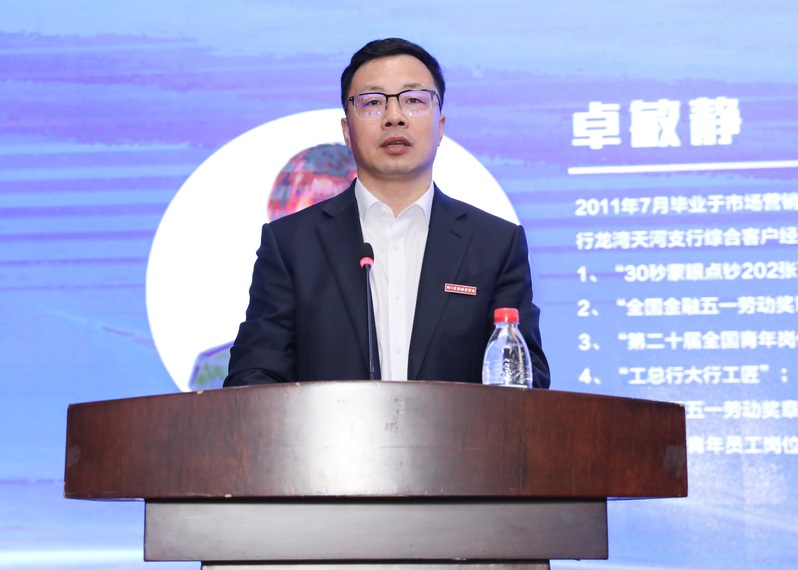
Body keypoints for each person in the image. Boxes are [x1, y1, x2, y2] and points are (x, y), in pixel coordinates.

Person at [224, 38, 550, 388]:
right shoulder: (292, 244)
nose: (394, 117)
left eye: (414, 100)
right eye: (373, 102)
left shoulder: (494, 244)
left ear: (440, 126)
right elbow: (253, 377)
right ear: (347, 131)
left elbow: (525, 381)